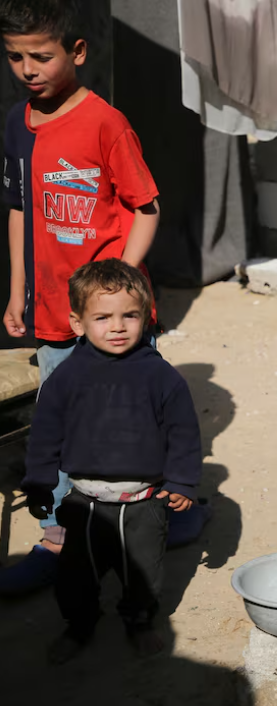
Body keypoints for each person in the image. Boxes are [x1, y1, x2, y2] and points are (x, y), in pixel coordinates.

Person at [0, 0, 161, 588]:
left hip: (111, 311)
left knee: (131, 414)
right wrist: (17, 290)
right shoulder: (17, 122)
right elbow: (19, 209)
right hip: (51, 309)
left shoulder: (104, 123)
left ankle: (158, 512)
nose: (28, 69)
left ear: (78, 51)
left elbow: (146, 208)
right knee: (59, 421)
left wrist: (117, 286)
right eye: (15, 56)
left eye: (42, 56)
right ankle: (58, 537)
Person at [21, 259, 200, 664]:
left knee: (144, 575)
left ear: (146, 317)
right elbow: (45, 434)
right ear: (78, 323)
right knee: (75, 576)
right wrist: (38, 483)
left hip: (144, 503)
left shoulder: (161, 377)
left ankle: (138, 621)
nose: (117, 327)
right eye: (102, 317)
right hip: (84, 502)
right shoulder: (66, 378)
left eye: (129, 316)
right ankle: (79, 625)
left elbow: (184, 433)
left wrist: (183, 482)